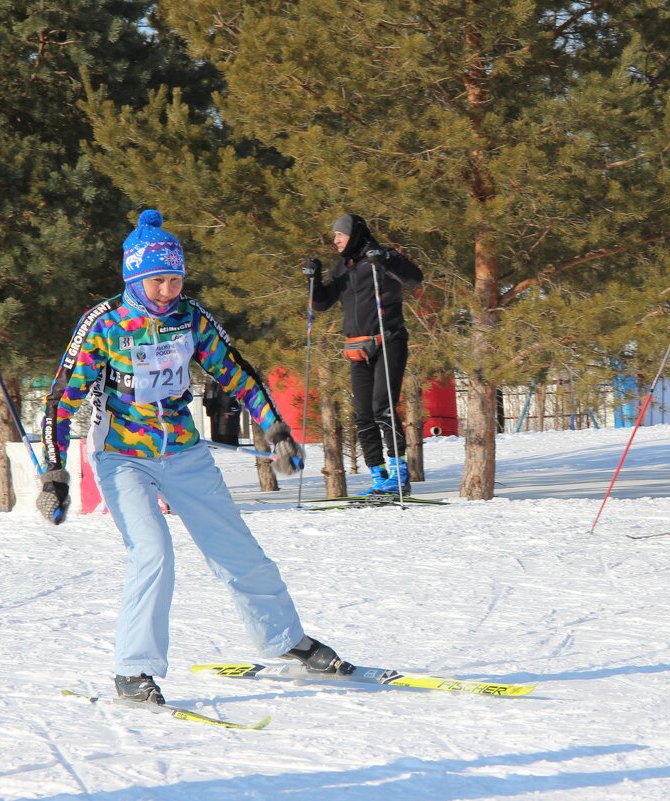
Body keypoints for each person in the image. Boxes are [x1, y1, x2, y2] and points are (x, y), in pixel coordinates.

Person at [38, 209, 354, 706]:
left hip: (184, 451)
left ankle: (286, 639)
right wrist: (54, 473)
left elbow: (237, 373)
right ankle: (133, 670)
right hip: (122, 458)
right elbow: (61, 400)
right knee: (153, 551)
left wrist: (275, 428)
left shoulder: (190, 316)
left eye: (175, 279)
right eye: (158, 281)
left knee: (237, 548)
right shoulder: (103, 325)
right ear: (135, 279)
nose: (168, 291)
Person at [303, 214, 423, 496]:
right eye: (334, 236)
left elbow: (414, 279)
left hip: (388, 340)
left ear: (353, 234)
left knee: (383, 407)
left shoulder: (381, 257)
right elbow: (321, 304)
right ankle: (379, 477)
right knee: (363, 416)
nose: (335, 241)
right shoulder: (342, 267)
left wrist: (386, 259)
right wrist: (313, 280)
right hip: (357, 348)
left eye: (339, 235)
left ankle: (399, 474)